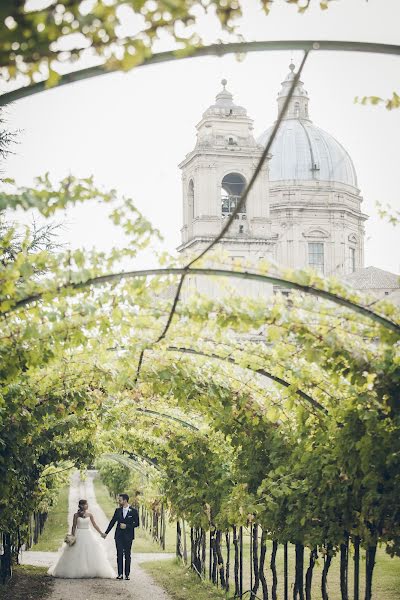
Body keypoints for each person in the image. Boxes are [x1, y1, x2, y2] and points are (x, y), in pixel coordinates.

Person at [48, 499, 115, 579]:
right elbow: (74, 526)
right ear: (81, 505)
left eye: (86, 504)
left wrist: (101, 533)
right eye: (85, 504)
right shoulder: (76, 515)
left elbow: (94, 525)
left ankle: (91, 570)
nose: (86, 506)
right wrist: (72, 536)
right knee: (76, 551)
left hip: (88, 534)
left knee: (90, 551)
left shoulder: (89, 515)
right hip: (79, 533)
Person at [104, 493, 139, 580]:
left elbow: (137, 523)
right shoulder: (117, 510)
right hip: (119, 536)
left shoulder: (134, 511)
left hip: (128, 536)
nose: (118, 501)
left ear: (125, 500)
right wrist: (106, 533)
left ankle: (127, 574)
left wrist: (127, 526)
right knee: (119, 554)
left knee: (127, 555)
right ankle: (120, 574)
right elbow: (112, 522)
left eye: (120, 500)